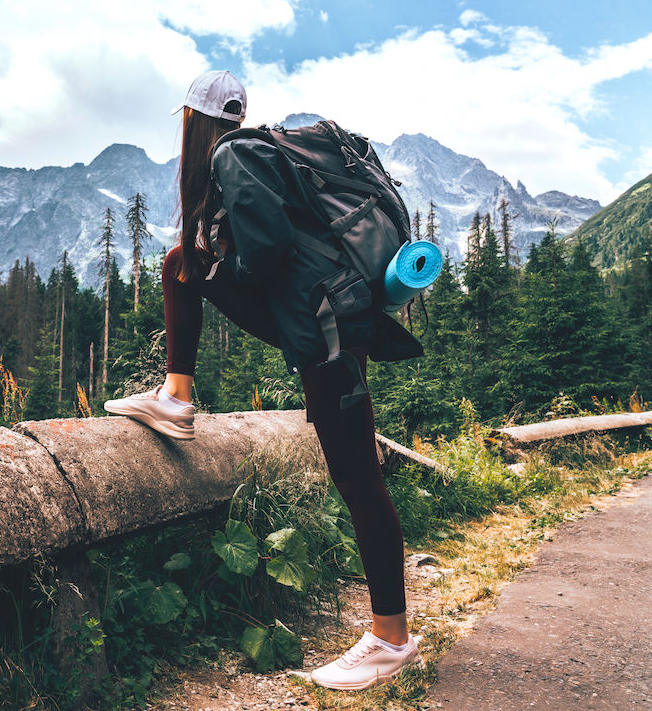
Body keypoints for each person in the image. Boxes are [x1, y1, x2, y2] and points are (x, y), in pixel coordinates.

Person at [104, 70, 423, 691]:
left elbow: (270, 249)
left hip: (327, 331)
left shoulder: (231, 155)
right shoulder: (260, 152)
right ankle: (176, 394)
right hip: (336, 323)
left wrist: (229, 263)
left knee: (359, 479)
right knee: (180, 264)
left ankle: (390, 636)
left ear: (194, 121)